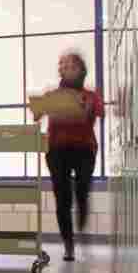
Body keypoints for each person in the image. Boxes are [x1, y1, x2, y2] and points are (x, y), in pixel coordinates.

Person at [32, 51, 104, 262]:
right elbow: (37, 115)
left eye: (69, 65)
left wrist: (84, 106)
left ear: (80, 70)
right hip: (57, 151)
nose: (64, 68)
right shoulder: (53, 94)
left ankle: (82, 215)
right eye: (61, 64)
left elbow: (99, 111)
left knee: (81, 191)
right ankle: (69, 245)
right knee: (62, 199)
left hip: (84, 150)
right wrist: (42, 108)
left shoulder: (90, 95)